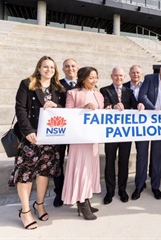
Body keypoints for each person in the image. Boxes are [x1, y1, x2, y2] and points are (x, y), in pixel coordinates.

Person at [9, 56, 66, 230]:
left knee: (44, 173)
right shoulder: (28, 84)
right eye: (45, 67)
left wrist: (56, 107)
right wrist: (28, 132)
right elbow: (20, 109)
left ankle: (39, 204)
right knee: (25, 174)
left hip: (49, 138)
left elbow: (65, 112)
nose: (49, 70)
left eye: (52, 67)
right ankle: (25, 211)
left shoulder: (59, 89)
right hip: (30, 137)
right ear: (39, 68)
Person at [62, 66, 106, 220]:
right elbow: (67, 114)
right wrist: (83, 108)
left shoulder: (99, 95)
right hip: (79, 140)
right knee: (80, 169)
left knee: (89, 170)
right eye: (91, 78)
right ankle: (81, 202)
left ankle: (86, 198)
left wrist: (110, 109)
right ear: (82, 78)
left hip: (92, 139)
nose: (94, 81)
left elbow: (102, 114)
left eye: (96, 77)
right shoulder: (73, 93)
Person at [100, 67, 144, 205]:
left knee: (123, 162)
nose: (118, 78)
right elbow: (105, 103)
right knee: (110, 162)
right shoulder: (104, 90)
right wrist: (112, 106)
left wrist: (140, 105)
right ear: (111, 76)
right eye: (116, 75)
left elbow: (134, 104)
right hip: (111, 133)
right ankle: (110, 191)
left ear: (124, 77)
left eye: (121, 76)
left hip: (125, 133)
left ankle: (122, 190)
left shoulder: (129, 92)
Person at [134, 60, 161, 200]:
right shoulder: (149, 79)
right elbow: (142, 97)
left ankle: (155, 186)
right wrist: (155, 110)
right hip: (145, 121)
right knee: (142, 154)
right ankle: (139, 186)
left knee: (157, 156)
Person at [53, 58, 78, 208]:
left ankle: (75, 192)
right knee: (58, 162)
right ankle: (59, 193)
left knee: (76, 162)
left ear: (77, 68)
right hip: (61, 130)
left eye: (73, 66)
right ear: (63, 69)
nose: (70, 68)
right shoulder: (56, 86)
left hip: (77, 131)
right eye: (67, 66)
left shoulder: (84, 84)